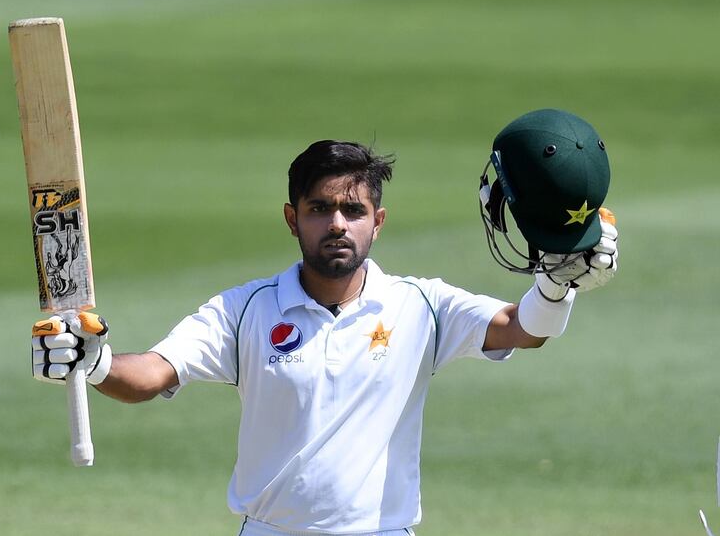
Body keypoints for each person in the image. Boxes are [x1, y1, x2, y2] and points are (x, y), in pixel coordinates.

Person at [31, 113, 619, 535]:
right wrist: (95, 361)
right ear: (293, 219)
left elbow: (524, 329)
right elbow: (153, 374)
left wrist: (555, 285)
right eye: (320, 209)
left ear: (377, 222)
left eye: (353, 210)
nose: (337, 224)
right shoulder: (245, 311)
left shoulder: (421, 306)